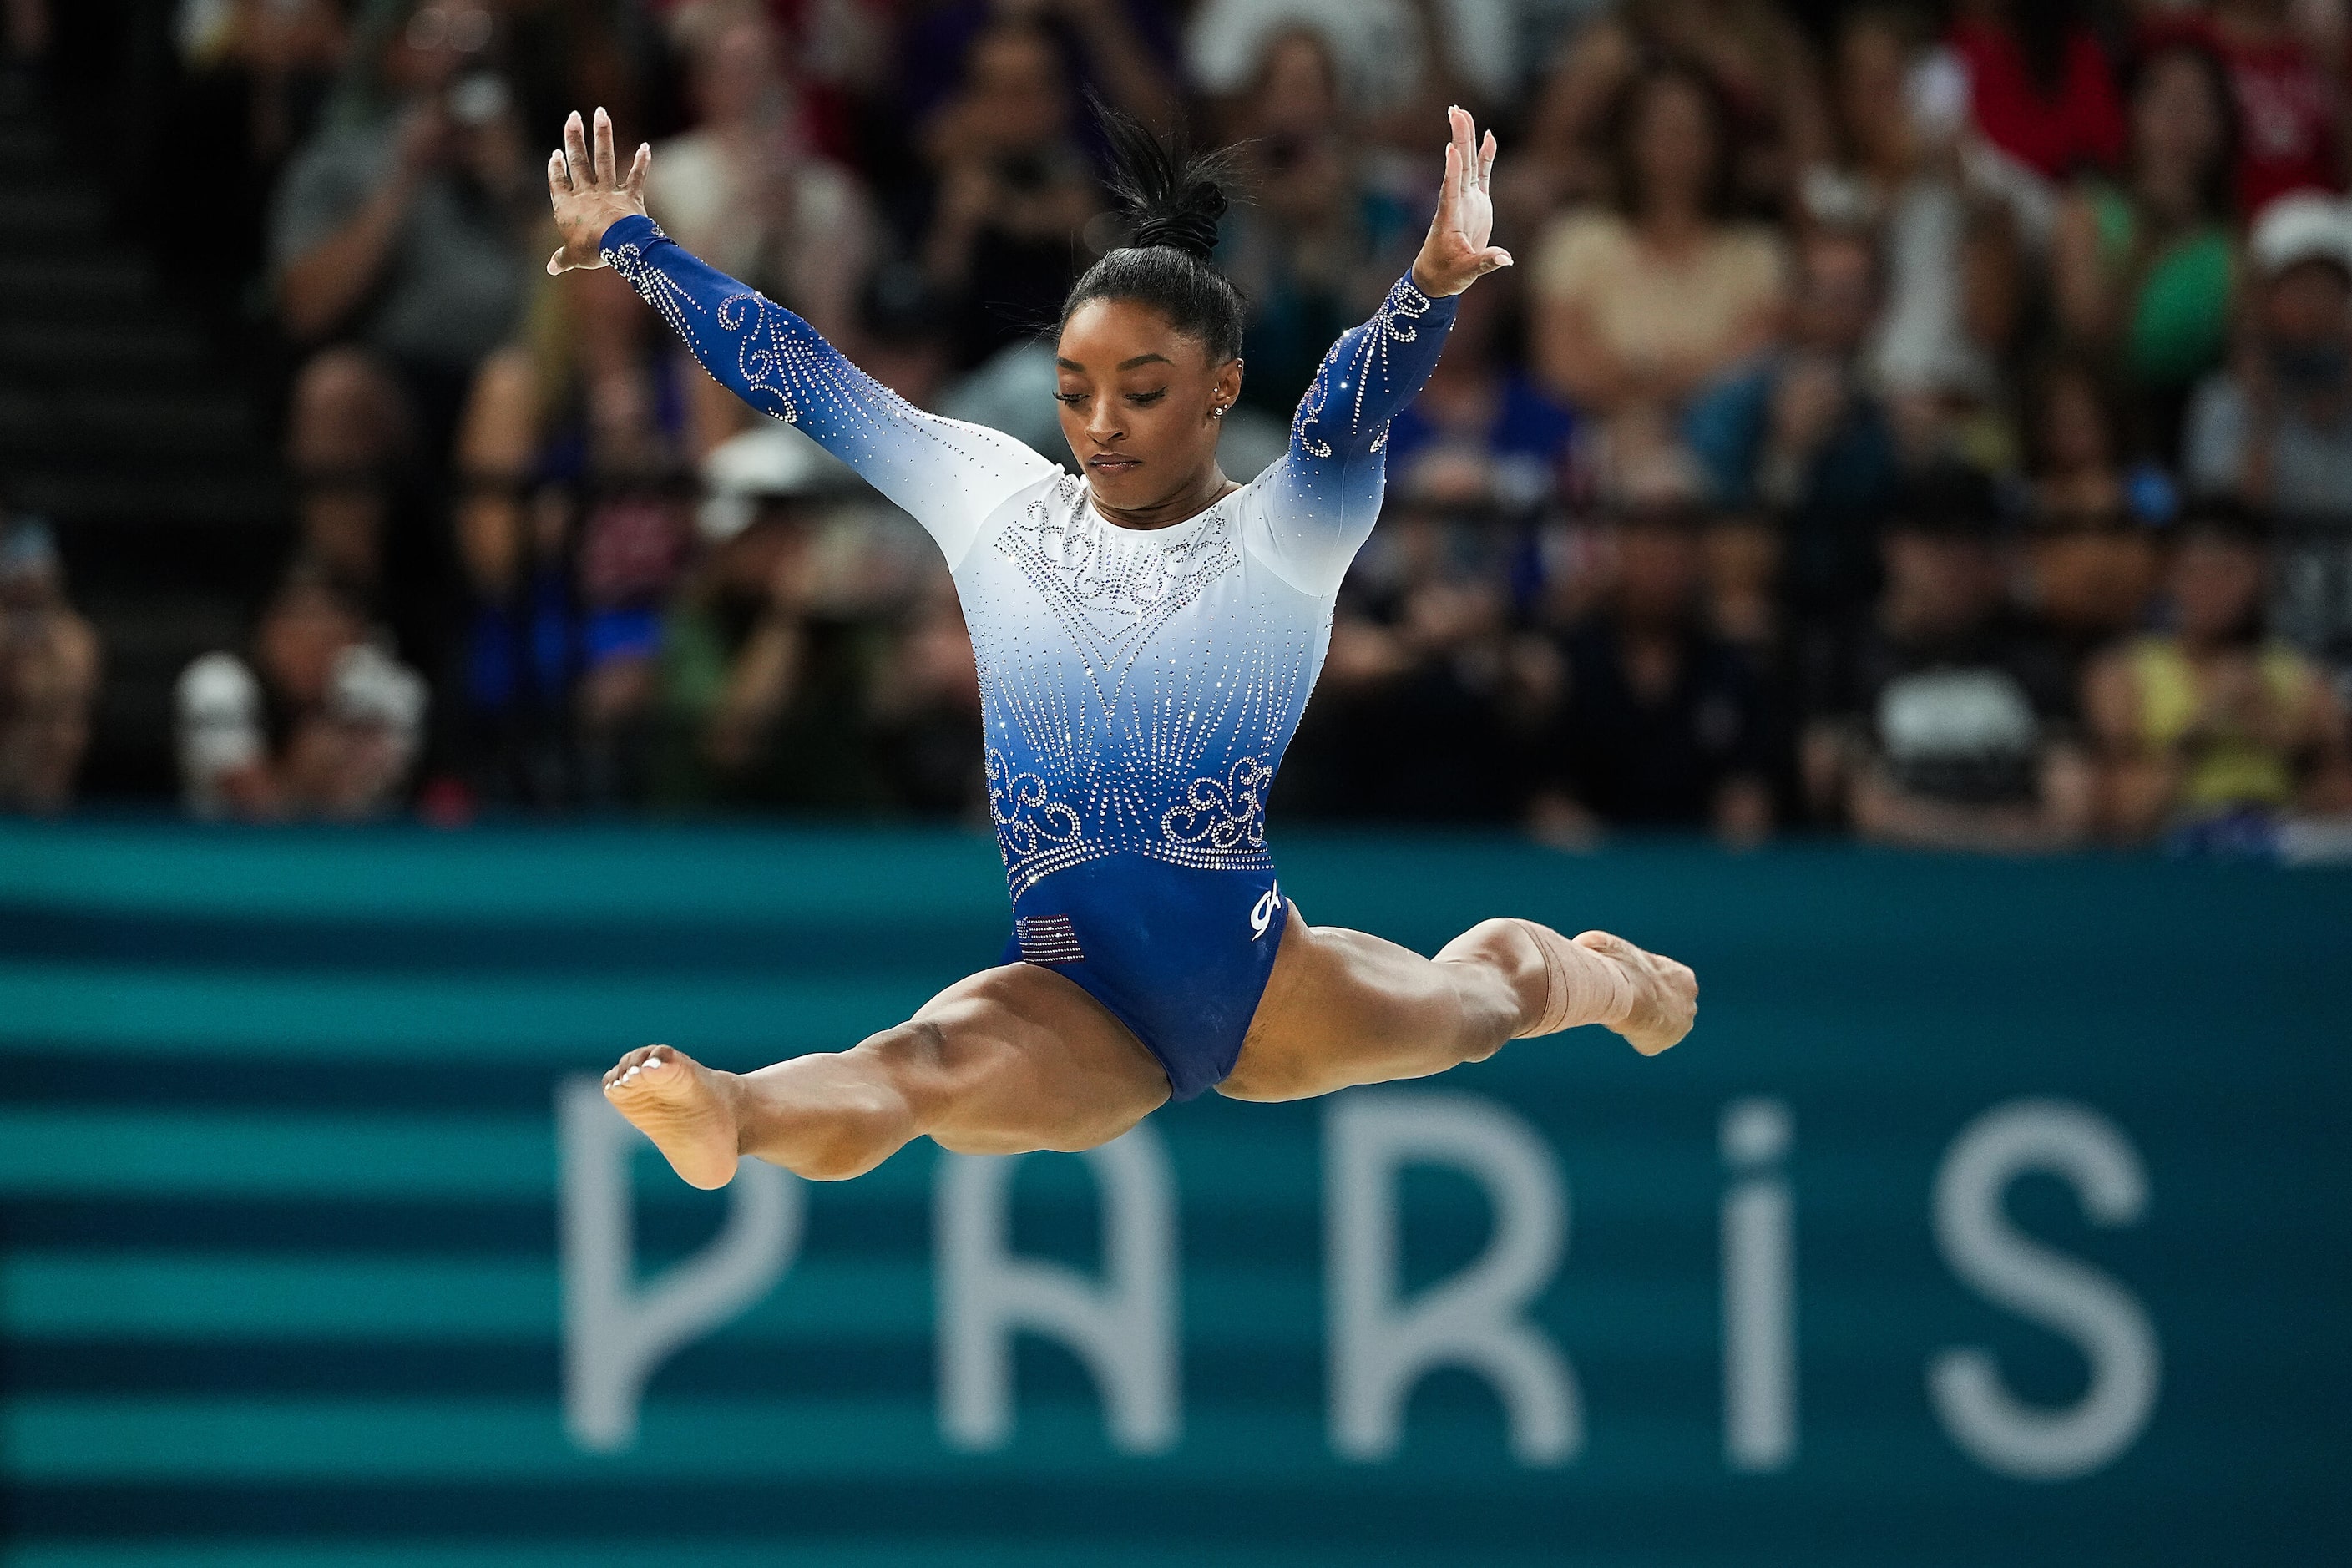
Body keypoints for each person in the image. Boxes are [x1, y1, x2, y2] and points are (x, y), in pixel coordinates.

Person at [540, 102, 1695, 1186]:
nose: (1101, 424)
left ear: (1217, 391)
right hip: (1070, 986)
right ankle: (732, 1111)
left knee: (1482, 1004)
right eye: (1075, 389)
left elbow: (1346, 413)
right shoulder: (996, 499)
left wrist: (1430, 284)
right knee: (921, 1066)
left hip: (1252, 984)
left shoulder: (1285, 536)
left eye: (1142, 392)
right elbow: (799, 372)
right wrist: (635, 243)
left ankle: (1605, 975)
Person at [1803, 471, 2093, 852]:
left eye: (1977, 543)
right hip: (1888, 883)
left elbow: (2073, 808)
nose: (1961, 563)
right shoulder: (1844, 653)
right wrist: (1995, 833)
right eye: (1941, 543)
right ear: (1895, 547)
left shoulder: (2030, 655)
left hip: (2016, 885)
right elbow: (1859, 807)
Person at [2083, 507, 2352, 847]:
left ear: (2256, 578)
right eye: (2197, 573)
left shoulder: (2301, 678)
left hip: (2278, 839)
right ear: (2169, 577)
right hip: (2167, 844)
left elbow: (2341, 803)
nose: (2212, 589)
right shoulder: (2123, 673)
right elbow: (2121, 816)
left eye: (2229, 573)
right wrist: (2200, 729)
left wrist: (2295, 749)